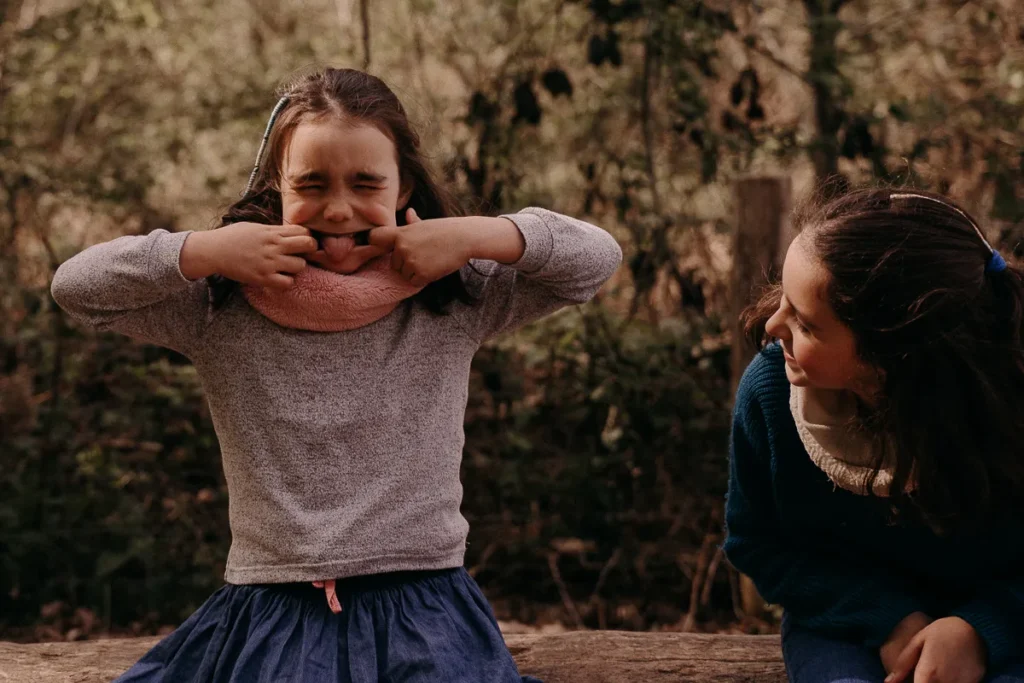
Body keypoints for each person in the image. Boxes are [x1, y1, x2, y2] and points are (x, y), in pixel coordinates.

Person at [50, 66, 622, 682]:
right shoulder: (219, 304)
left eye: (366, 182)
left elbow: (596, 259)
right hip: (272, 610)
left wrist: (474, 235)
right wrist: (204, 250)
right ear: (278, 185)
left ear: (404, 188)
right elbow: (76, 288)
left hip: (426, 611)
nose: (339, 207)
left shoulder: (453, 294)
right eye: (312, 183)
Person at [724, 188, 1024, 683]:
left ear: (892, 354)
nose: (773, 325)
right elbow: (756, 542)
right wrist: (887, 619)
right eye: (784, 299)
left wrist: (981, 630)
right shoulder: (771, 393)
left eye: (805, 322)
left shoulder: (1007, 407)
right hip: (844, 625)